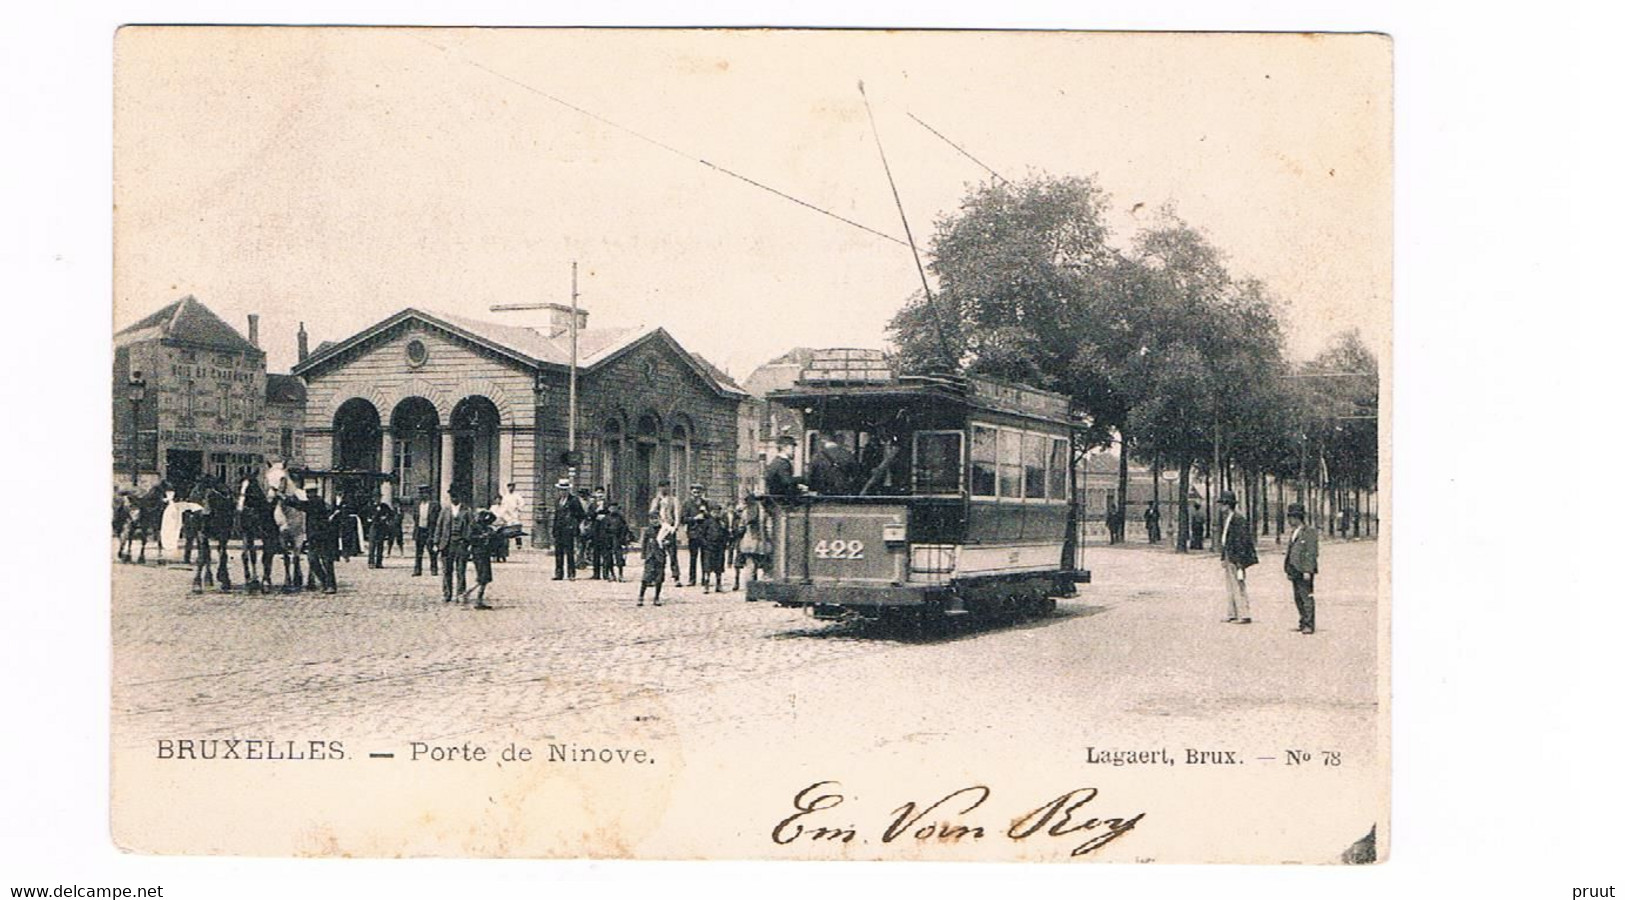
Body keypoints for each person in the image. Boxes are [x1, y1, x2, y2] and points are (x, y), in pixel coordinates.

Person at [1217, 489, 1258, 624]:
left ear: (1228, 505)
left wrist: (1240, 561)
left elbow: (1242, 541)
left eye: (1222, 504)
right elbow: (1226, 540)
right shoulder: (1229, 519)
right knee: (1230, 585)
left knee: (1238, 584)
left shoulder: (1238, 519)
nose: (1221, 506)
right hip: (1229, 555)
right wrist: (1223, 557)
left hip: (1236, 558)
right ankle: (1232, 613)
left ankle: (1244, 614)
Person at [1284, 502, 1320, 635]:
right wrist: (1288, 568)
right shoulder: (1295, 532)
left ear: (1297, 518)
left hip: (1304, 569)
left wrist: (1307, 570)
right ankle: (1302, 621)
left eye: (1291, 517)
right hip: (1294, 568)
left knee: (1306, 597)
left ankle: (1309, 624)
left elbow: (1311, 552)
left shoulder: (1309, 532)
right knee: (1298, 597)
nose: (1289, 520)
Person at [436, 490, 473, 602]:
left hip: (461, 544)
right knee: (447, 570)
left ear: (460, 497)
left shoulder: (466, 511)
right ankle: (447, 593)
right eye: (452, 496)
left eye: (456, 496)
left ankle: (460, 593)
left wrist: (469, 542)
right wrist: (436, 542)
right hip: (447, 544)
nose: (454, 499)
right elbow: (439, 526)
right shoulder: (445, 510)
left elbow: (471, 527)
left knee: (460, 570)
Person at [734, 492, 769, 591]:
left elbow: (741, 528)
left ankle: (751, 591)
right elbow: (769, 529)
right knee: (766, 568)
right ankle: (763, 590)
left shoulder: (746, 512)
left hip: (748, 544)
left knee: (750, 567)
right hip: (762, 543)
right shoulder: (765, 512)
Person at [462, 510, 497, 609]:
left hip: (485, 553)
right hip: (478, 553)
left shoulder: (486, 527)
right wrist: (481, 537)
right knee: (482, 576)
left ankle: (478, 599)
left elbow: (494, 517)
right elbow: (469, 538)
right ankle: (468, 594)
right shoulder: (474, 526)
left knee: (486, 577)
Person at [649, 480, 681, 585]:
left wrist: (675, 526)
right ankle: (657, 576)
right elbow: (652, 514)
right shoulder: (656, 500)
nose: (664, 489)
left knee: (672, 554)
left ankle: (676, 577)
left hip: (670, 528)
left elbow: (677, 513)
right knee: (657, 554)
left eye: (666, 486)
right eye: (661, 487)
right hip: (659, 528)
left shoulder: (674, 500)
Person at [552, 479, 585, 580]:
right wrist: (554, 529)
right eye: (561, 490)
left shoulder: (574, 500)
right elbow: (556, 516)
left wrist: (574, 525)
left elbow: (581, 514)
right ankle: (559, 573)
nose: (563, 492)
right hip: (559, 529)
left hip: (569, 530)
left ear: (568, 490)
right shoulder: (558, 500)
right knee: (558, 552)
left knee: (569, 552)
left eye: (565, 490)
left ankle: (571, 573)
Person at [695, 502, 729, 593]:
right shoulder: (707, 522)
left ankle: (719, 584)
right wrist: (705, 544)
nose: (716, 514)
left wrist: (725, 543)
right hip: (709, 547)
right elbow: (701, 534)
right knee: (707, 567)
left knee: (719, 567)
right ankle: (706, 585)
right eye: (714, 512)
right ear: (711, 512)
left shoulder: (722, 522)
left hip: (719, 547)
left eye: (718, 512)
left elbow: (726, 534)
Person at [409, 485, 441, 577]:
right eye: (421, 493)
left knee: (432, 551)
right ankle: (417, 570)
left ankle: (434, 569)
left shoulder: (435, 505)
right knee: (419, 552)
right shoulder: (417, 504)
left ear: (429, 494)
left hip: (430, 530)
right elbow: (415, 516)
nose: (423, 495)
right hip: (420, 530)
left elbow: (438, 519)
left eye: (425, 493)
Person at [680, 484, 707, 587]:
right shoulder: (687, 504)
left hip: (704, 534)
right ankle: (692, 579)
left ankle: (705, 578)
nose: (697, 494)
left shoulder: (705, 503)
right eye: (695, 492)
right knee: (693, 557)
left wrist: (706, 514)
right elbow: (683, 519)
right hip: (693, 533)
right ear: (691, 492)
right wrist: (694, 518)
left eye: (699, 492)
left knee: (705, 557)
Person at [764, 434, 805, 501]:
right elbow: (786, 483)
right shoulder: (782, 463)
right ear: (784, 448)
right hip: (781, 502)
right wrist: (800, 483)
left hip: (775, 500)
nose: (794, 451)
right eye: (792, 448)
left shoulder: (776, 462)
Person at [597, 501, 631, 582]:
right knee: (609, 558)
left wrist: (623, 539)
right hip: (608, 540)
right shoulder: (605, 518)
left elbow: (624, 529)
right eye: (611, 508)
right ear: (608, 509)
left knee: (619, 558)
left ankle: (620, 574)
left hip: (617, 539)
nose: (613, 509)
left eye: (614, 508)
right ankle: (612, 574)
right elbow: (602, 530)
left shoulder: (621, 518)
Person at [637, 518, 666, 607]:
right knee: (646, 578)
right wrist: (644, 555)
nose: (655, 521)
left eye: (657, 519)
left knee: (659, 579)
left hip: (660, 556)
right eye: (653, 519)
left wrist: (666, 544)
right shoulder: (648, 530)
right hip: (650, 556)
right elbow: (644, 543)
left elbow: (670, 542)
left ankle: (656, 598)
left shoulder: (664, 530)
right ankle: (641, 597)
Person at [367, 500, 394, 568]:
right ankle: (371, 562)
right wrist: (370, 519)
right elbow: (366, 516)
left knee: (380, 545)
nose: (377, 499)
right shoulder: (370, 506)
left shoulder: (384, 506)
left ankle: (379, 562)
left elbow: (391, 514)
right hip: (373, 526)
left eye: (378, 497)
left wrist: (386, 518)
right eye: (376, 497)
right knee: (372, 545)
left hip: (382, 527)